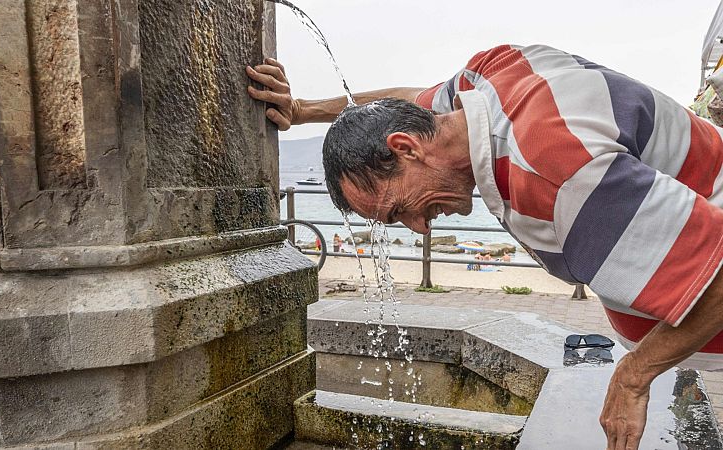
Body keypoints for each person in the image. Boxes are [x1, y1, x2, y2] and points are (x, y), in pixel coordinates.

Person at [247, 44, 723, 449]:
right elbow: (403, 101)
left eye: (398, 211)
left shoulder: (554, 173)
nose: (420, 229)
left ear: (406, 148)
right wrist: (307, 110)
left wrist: (634, 376)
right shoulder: (484, 79)